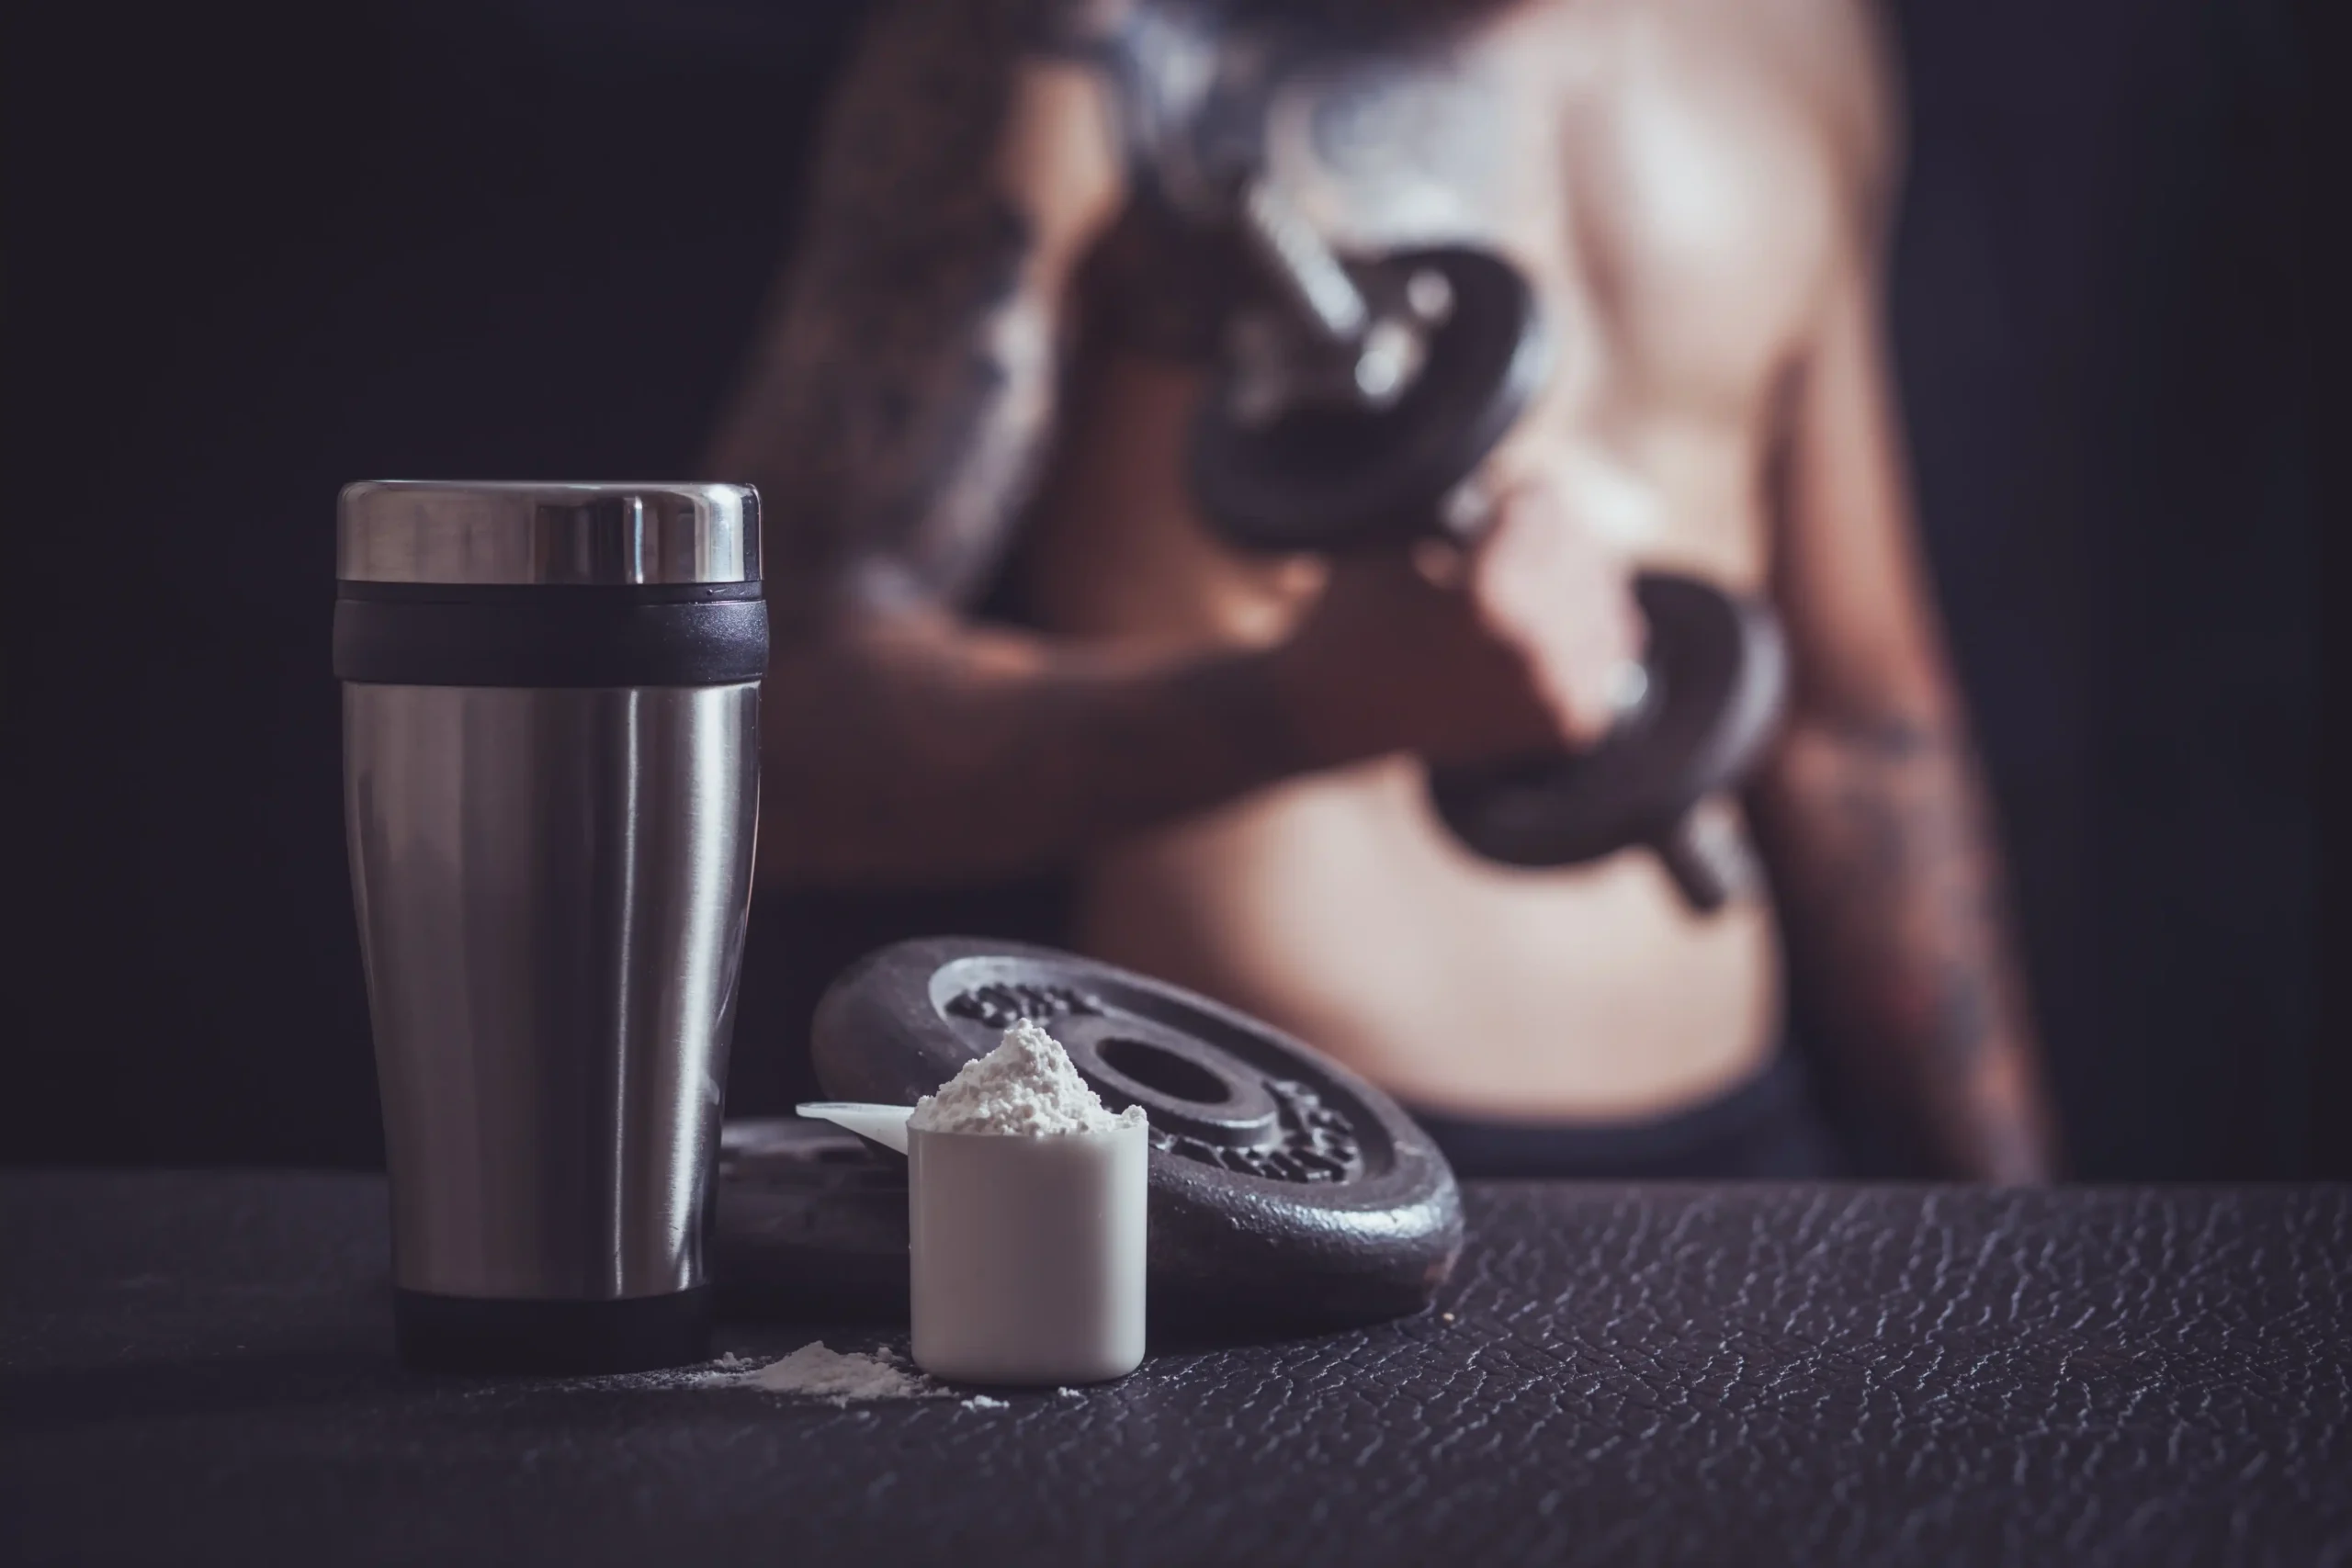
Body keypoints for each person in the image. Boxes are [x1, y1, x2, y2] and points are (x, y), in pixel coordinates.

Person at [703, 0, 2060, 1180]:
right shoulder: (1073, 44)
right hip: (1259, 1162)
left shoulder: (1800, 32)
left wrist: (2025, 1243)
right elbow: (776, 730)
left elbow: (1859, 729)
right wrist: (1302, 706)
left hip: (1741, 1147)